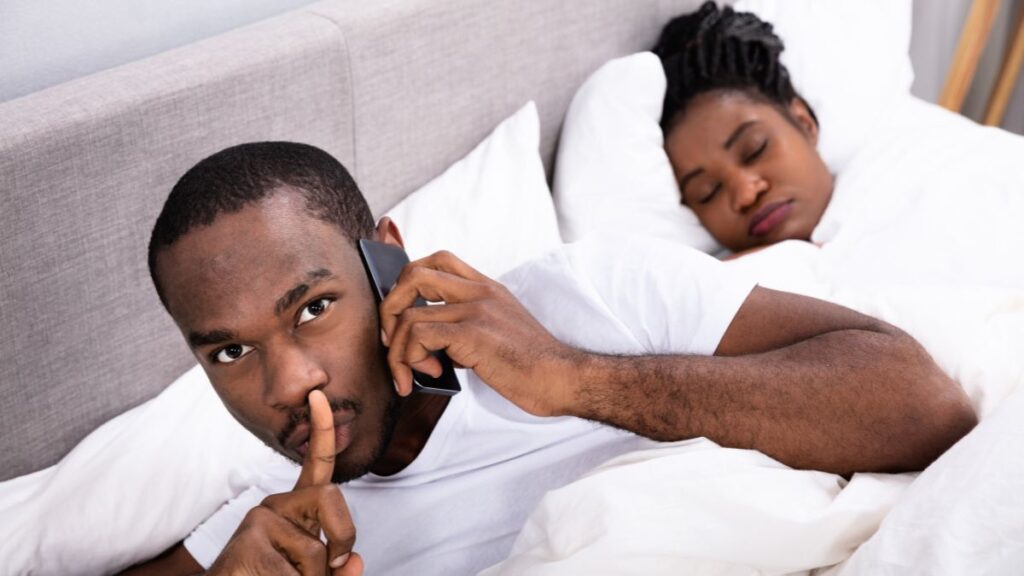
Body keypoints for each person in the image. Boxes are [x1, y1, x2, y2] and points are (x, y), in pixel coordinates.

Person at [125, 142, 975, 575]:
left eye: (313, 309)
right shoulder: (275, 528)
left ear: (386, 256)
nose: (289, 383)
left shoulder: (587, 294)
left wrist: (577, 379)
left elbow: (920, 404)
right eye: (231, 350)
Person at [654, 1, 833, 255]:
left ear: (805, 123)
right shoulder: (701, 283)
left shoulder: (901, 188)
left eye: (754, 149)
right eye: (708, 192)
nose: (746, 194)